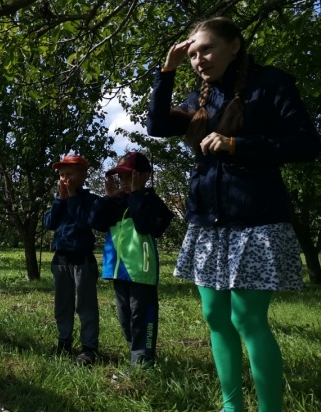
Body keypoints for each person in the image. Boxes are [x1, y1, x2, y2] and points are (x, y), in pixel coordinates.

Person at [147, 16, 321, 412]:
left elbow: (307, 143)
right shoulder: (201, 99)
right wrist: (166, 71)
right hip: (208, 223)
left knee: (248, 319)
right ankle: (231, 407)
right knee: (214, 317)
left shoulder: (271, 84)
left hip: (256, 222)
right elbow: (157, 125)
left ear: (235, 45)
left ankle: (269, 409)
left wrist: (237, 145)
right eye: (192, 54)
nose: (198, 59)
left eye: (206, 49)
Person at [74, 151, 173, 373]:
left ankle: (143, 360)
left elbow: (148, 226)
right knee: (124, 314)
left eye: (130, 176)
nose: (125, 182)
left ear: (146, 175)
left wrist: (137, 194)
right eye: (121, 177)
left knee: (142, 314)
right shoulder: (117, 202)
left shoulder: (150, 201)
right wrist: (108, 197)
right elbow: (94, 221)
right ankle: (135, 354)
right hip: (118, 270)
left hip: (141, 270)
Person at [43, 153, 100, 366]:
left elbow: (86, 222)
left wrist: (74, 198)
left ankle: (89, 348)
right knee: (62, 305)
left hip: (82, 259)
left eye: (70, 174)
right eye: (61, 174)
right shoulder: (60, 199)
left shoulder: (89, 200)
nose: (64, 179)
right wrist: (60, 201)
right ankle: (64, 341)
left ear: (83, 176)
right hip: (61, 258)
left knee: (85, 305)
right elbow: (49, 223)